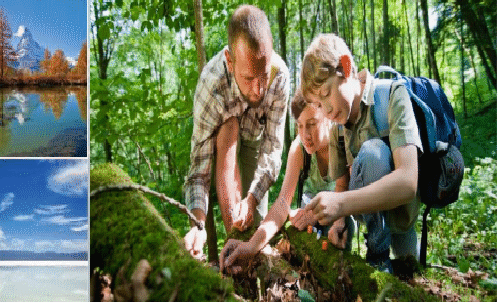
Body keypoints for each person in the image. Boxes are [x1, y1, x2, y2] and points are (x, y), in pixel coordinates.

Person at [301, 33, 422, 271]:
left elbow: (408, 182)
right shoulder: (338, 127)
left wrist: (342, 204)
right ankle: (377, 257)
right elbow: (341, 186)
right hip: (374, 226)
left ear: (346, 67)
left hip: (401, 218)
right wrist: (338, 222)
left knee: (372, 152)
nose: (325, 110)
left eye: (325, 95)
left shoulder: (392, 96)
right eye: (317, 104)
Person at [184, 4, 290, 260]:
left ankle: (252, 273)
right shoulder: (212, 86)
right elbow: (198, 172)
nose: (259, 89)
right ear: (230, 62)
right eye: (248, 78)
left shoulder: (280, 77)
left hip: (255, 143)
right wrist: (198, 224)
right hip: (223, 144)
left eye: (263, 75)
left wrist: (252, 198)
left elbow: (273, 149)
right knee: (228, 128)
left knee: (256, 229)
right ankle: (228, 253)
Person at [219, 89, 352, 274]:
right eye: (299, 126)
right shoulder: (298, 148)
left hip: (343, 214)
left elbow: (345, 191)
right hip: (312, 215)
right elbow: (282, 204)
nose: (305, 134)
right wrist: (251, 246)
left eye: (312, 124)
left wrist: (315, 215)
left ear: (328, 117)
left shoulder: (341, 139)